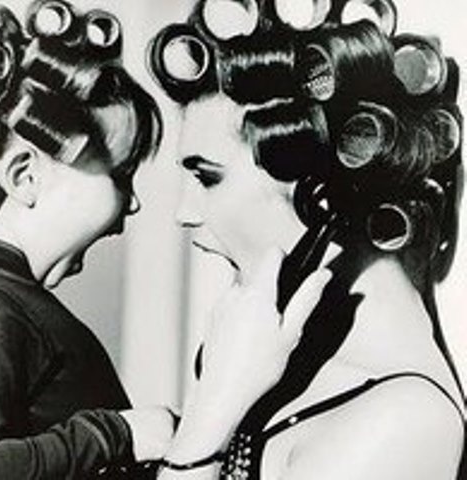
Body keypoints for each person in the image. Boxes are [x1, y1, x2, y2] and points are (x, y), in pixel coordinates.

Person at [147, 0, 466, 478]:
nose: (185, 214)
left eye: (208, 178)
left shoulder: (402, 420)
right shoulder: (271, 360)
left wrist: (208, 417)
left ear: (320, 197)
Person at [0, 0, 175, 478]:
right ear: (24, 177)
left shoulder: (1, 295)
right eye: (121, 175)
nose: (132, 204)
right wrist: (117, 435)